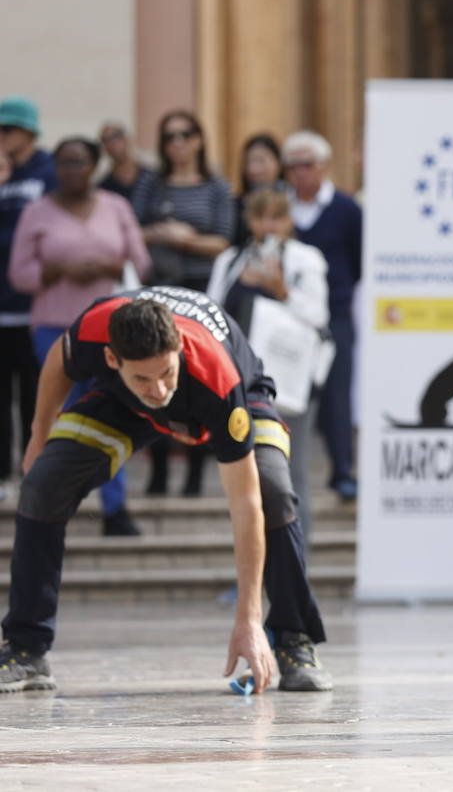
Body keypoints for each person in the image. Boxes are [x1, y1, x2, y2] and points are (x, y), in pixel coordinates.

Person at [0, 288, 332, 692]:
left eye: (166, 373)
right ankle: (26, 648)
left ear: (178, 348)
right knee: (41, 485)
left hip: (229, 395)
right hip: (122, 403)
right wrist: (38, 434)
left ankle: (294, 638)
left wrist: (247, 620)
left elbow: (245, 506)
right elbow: (59, 359)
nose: (158, 389)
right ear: (111, 357)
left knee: (272, 492)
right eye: (144, 376)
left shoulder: (217, 378)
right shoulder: (93, 330)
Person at [7, 136, 151, 535]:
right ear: (55, 167)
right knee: (61, 413)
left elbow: (141, 260)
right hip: (55, 327)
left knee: (114, 410)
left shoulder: (115, 207)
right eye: (65, 162)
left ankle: (114, 506)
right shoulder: (37, 211)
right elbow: (19, 274)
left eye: (80, 162)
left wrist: (106, 264)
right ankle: (51, 504)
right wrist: (57, 272)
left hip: (112, 329)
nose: (72, 170)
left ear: (94, 165)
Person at [209, 187, 329, 540]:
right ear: (248, 221)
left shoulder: (306, 259)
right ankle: (251, 576)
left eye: (276, 217)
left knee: (290, 477)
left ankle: (296, 571)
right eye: (260, 217)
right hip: (240, 384)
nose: (268, 225)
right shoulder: (230, 261)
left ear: (289, 221)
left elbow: (318, 316)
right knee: (245, 479)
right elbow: (212, 316)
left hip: (289, 385)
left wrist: (281, 290)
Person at [132, 109, 235, 497]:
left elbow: (224, 240)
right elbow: (132, 231)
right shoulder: (151, 185)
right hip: (158, 290)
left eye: (186, 134)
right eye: (170, 135)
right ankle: (158, 472)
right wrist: (160, 233)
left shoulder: (216, 187)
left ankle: (194, 473)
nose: (178, 142)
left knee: (197, 382)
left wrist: (183, 239)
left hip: (202, 294)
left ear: (199, 139)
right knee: (153, 375)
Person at [284, 130, 362, 501]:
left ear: (324, 166)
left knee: (337, 393)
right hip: (286, 317)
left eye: (307, 164)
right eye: (293, 165)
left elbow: (358, 259)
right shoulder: (280, 209)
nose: (300, 172)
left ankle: (342, 469)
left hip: (334, 314)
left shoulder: (346, 210)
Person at [0, 97, 55, 490]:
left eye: (7, 130)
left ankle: (37, 474)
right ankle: (2, 475)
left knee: (38, 399)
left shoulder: (48, 172)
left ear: (28, 132)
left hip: (37, 309)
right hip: (1, 308)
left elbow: (43, 235)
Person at [233, 133, 286, 245]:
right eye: (249, 162)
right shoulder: (236, 205)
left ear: (278, 162)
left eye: (261, 161)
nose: (254, 169)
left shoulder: (292, 198)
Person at [97, 121, 156, 205]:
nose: (111, 143)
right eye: (105, 140)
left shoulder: (152, 176)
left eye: (116, 136)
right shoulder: (103, 187)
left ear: (128, 138)